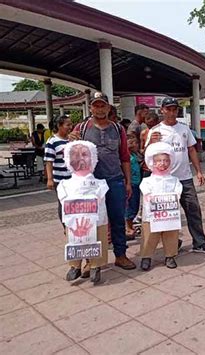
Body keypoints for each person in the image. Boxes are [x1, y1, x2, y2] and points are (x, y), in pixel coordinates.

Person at [70, 92, 136, 270]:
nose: (99, 109)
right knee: (89, 221)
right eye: (96, 105)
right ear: (91, 107)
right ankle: (89, 261)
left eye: (102, 105)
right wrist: (70, 141)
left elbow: (124, 157)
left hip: (115, 180)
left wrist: (128, 182)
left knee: (117, 219)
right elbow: (71, 156)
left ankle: (121, 255)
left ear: (108, 107)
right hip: (90, 184)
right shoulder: (81, 128)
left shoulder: (118, 129)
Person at [146, 97, 205, 253]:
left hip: (184, 178)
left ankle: (199, 242)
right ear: (162, 110)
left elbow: (191, 150)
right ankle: (172, 242)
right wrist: (151, 143)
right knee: (167, 214)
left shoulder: (184, 129)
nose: (171, 112)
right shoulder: (155, 130)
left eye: (174, 109)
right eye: (168, 109)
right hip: (164, 181)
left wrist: (198, 171)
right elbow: (148, 155)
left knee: (193, 210)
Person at [58, 141, 109, 283]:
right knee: (74, 240)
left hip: (96, 220)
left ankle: (95, 266)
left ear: (93, 158)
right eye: (75, 154)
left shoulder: (100, 183)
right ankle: (75, 266)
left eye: (85, 154)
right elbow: (62, 197)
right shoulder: (65, 184)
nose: (80, 158)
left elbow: (100, 196)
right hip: (74, 221)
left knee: (98, 240)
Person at [140, 142, 182, 270]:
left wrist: (175, 197)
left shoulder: (174, 180)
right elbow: (145, 190)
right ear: (152, 162)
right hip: (152, 215)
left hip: (169, 215)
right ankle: (146, 257)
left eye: (165, 160)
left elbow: (178, 191)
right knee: (149, 235)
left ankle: (170, 256)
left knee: (171, 234)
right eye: (159, 161)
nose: (162, 163)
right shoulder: (148, 180)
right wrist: (148, 196)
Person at [44, 115, 73, 227]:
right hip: (60, 180)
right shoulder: (52, 141)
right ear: (59, 126)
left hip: (72, 178)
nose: (70, 127)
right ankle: (66, 226)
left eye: (71, 124)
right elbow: (49, 161)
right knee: (63, 203)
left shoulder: (71, 140)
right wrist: (50, 179)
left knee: (73, 202)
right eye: (67, 125)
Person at [125, 135, 142, 239]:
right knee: (130, 206)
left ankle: (130, 226)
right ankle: (128, 227)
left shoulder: (134, 155)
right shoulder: (127, 157)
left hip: (136, 183)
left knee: (135, 205)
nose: (137, 145)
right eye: (134, 143)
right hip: (131, 184)